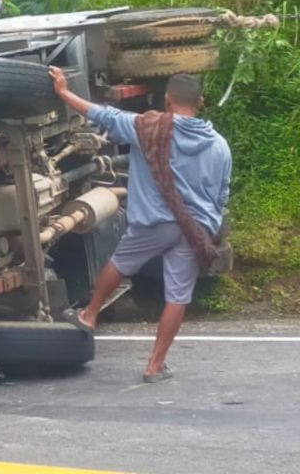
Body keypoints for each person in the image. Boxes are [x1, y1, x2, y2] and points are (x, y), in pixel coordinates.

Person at [50, 69, 231, 382]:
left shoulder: (146, 127)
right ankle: (154, 366)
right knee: (177, 297)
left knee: (121, 263)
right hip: (194, 229)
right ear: (200, 101)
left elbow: (101, 115)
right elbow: (222, 194)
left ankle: (89, 314)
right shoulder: (219, 145)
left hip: (154, 222)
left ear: (167, 99)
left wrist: (64, 92)